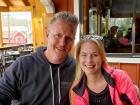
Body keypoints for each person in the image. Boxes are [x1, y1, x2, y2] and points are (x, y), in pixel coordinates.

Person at [0, 11, 78, 105]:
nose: (62, 43)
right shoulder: (22, 66)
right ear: (47, 35)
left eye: (69, 38)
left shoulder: (77, 68)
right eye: (58, 35)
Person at [69, 35, 140, 105]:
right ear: (78, 58)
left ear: (102, 57)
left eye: (95, 55)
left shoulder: (120, 78)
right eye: (84, 55)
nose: (89, 60)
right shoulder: (76, 90)